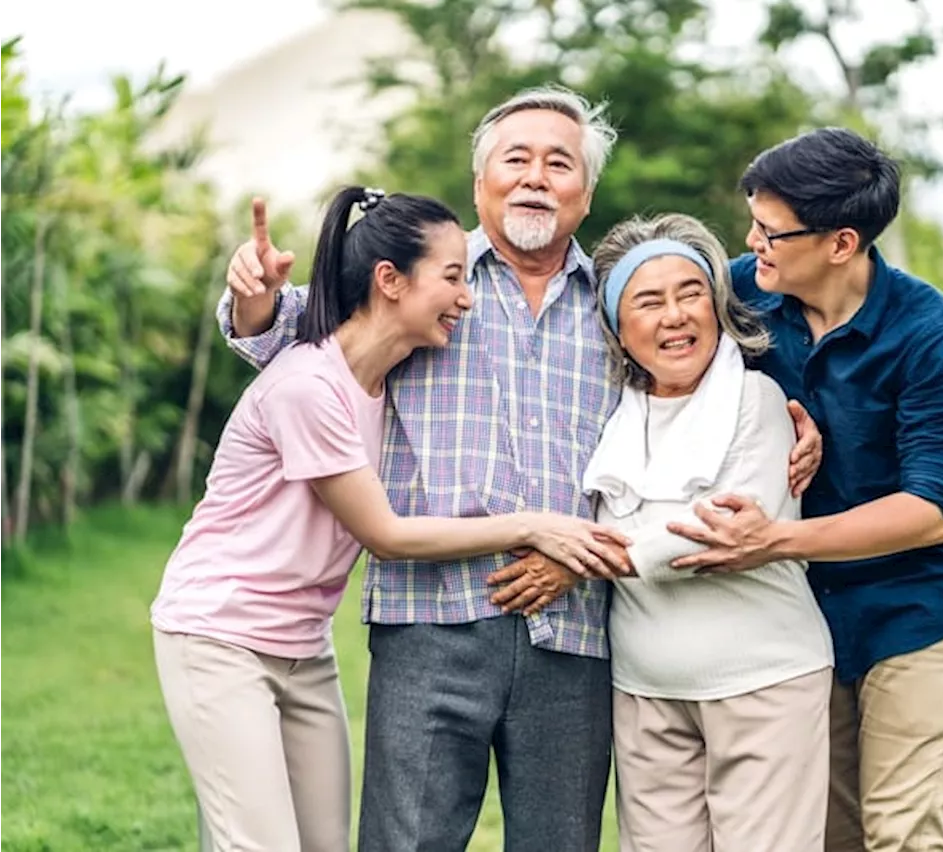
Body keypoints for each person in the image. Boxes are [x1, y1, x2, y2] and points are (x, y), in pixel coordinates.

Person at [216, 87, 824, 852]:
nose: (537, 176)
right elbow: (284, 340)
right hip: (428, 619)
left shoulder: (617, 305)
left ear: (586, 192)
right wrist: (253, 304)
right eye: (517, 159)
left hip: (574, 634)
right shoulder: (420, 282)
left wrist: (804, 422)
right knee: (406, 841)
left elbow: (705, 377)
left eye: (559, 162)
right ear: (481, 184)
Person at [151, 185, 631, 852]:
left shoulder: (390, 374)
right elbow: (386, 534)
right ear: (390, 281)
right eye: (454, 277)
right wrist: (531, 525)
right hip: (221, 636)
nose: (467, 298)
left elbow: (291, 313)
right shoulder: (307, 388)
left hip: (302, 646)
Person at [666, 128, 943, 852]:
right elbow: (664, 359)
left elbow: (932, 512)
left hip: (921, 610)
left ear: (842, 243)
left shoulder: (942, 341)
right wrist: (781, 418)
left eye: (772, 232)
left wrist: (772, 541)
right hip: (805, 614)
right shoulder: (748, 292)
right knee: (826, 833)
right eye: (752, 222)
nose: (752, 243)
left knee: (901, 834)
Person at [578, 213, 834, 851]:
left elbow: (710, 534)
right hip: (645, 692)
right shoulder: (607, 416)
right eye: (649, 300)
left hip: (764, 682)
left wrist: (576, 559)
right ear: (617, 327)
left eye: (691, 294)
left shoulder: (757, 400)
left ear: (718, 307)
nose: (675, 316)